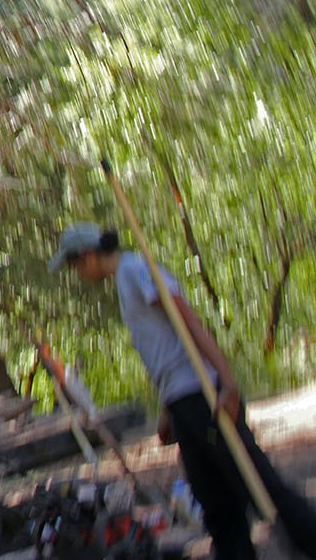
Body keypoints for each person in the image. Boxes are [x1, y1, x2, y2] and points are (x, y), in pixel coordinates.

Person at [48, 222, 316, 560]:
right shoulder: (124, 281)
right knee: (216, 504)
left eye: (74, 266)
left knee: (259, 485)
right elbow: (164, 353)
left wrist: (228, 383)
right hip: (181, 402)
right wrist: (167, 411)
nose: (77, 275)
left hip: (202, 396)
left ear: (87, 256)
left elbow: (185, 319)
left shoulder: (135, 270)